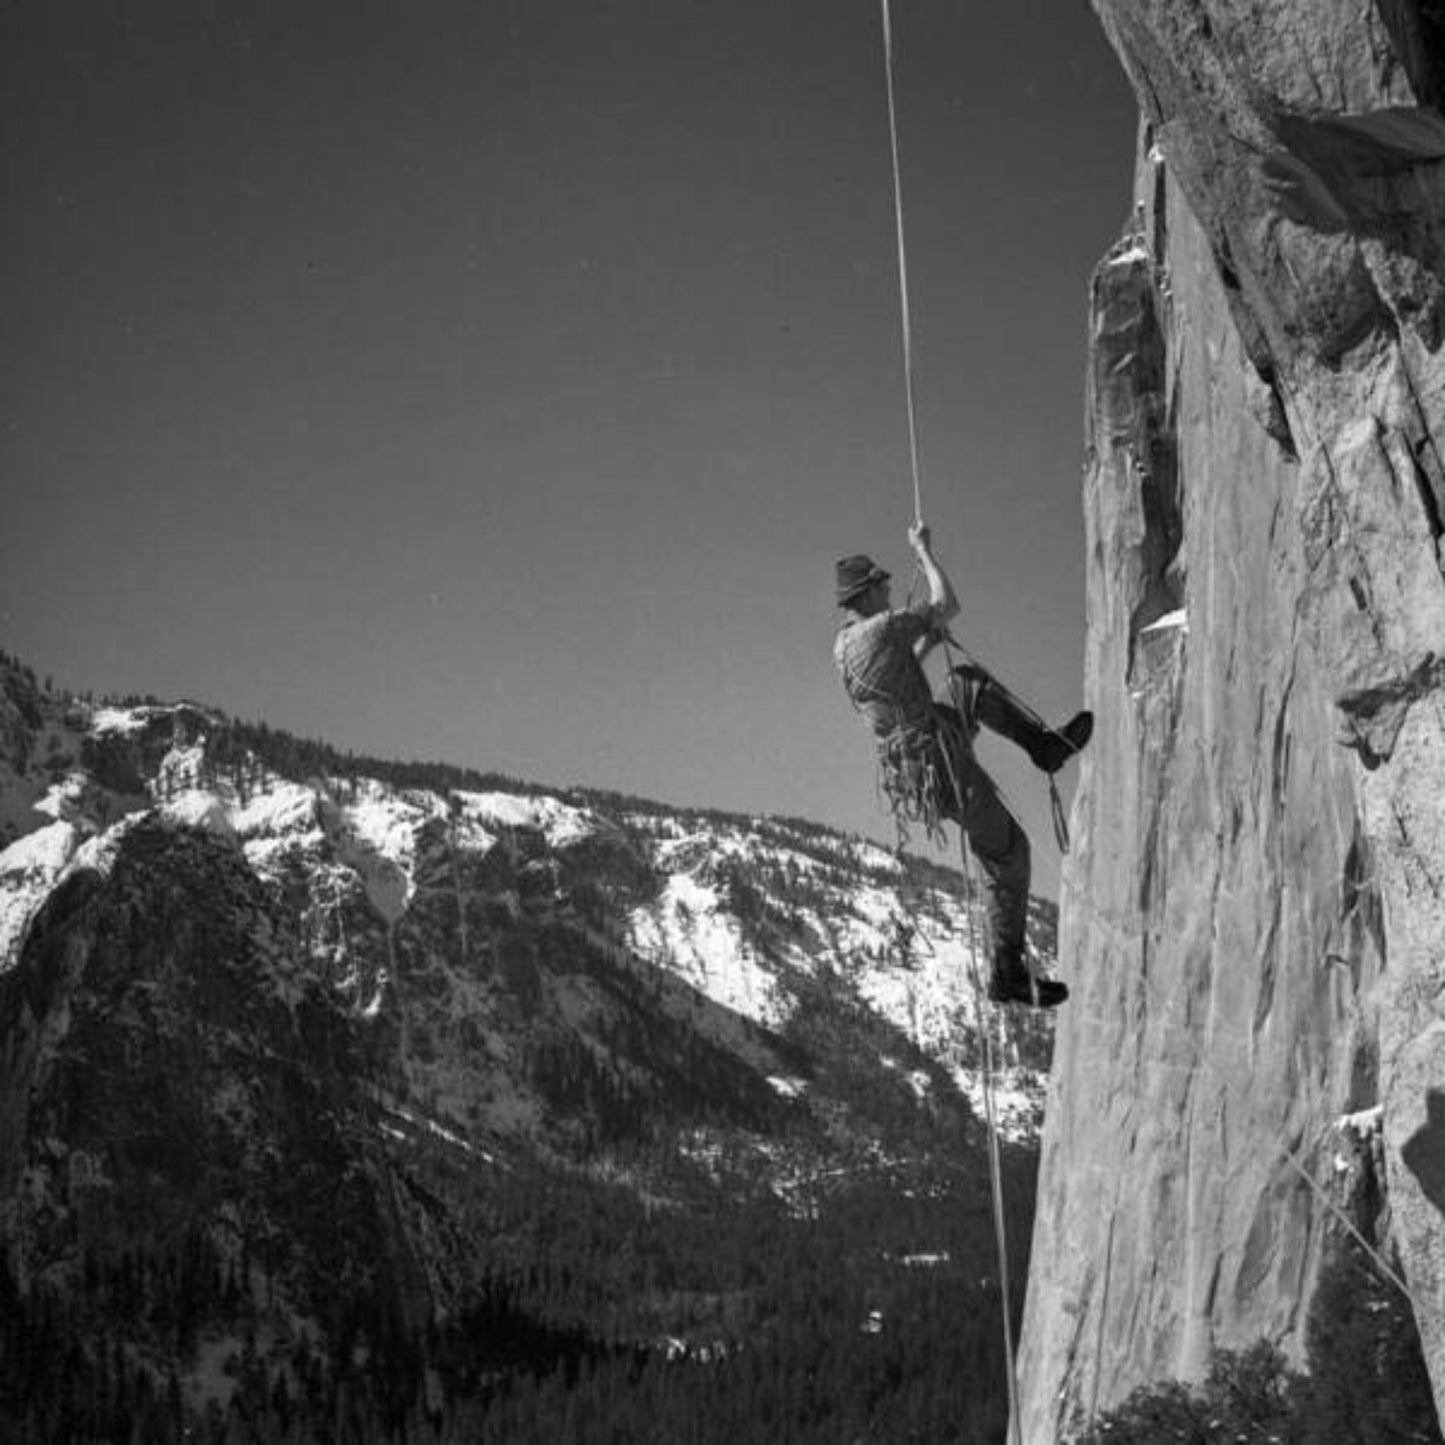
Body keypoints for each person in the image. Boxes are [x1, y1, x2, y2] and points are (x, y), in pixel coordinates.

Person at [833, 522, 1092, 1007]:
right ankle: (1007, 970)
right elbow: (946, 602)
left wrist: (929, 643)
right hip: (937, 758)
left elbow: (897, 675)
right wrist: (924, 552)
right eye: (883, 586)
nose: (889, 591)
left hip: (920, 753)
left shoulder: (846, 646)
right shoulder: (880, 627)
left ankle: (1043, 747)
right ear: (867, 593)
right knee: (1007, 848)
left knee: (966, 684)